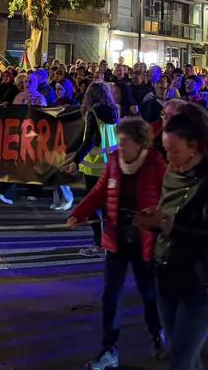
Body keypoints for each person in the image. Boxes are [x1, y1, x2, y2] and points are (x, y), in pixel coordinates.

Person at [134, 102, 208, 370]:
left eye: (174, 151)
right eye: (166, 150)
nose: (169, 157)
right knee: (182, 353)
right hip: (166, 271)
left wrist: (168, 225)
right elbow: (167, 210)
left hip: (199, 279)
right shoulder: (171, 172)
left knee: (181, 359)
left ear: (194, 147)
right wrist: (153, 216)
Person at [69, 117, 168, 369]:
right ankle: (109, 348)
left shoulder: (156, 164)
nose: (119, 145)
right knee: (111, 294)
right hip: (116, 238)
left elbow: (167, 199)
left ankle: (157, 335)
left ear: (139, 142)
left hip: (145, 240)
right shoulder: (114, 161)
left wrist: (154, 215)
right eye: (119, 140)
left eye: (125, 141)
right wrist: (79, 213)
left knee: (149, 292)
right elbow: (100, 192)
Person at [71, 81, 121, 255]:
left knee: (92, 206)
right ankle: (110, 243)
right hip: (112, 164)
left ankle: (98, 243)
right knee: (109, 207)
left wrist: (76, 160)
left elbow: (90, 140)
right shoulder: (115, 112)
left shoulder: (93, 113)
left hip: (95, 166)